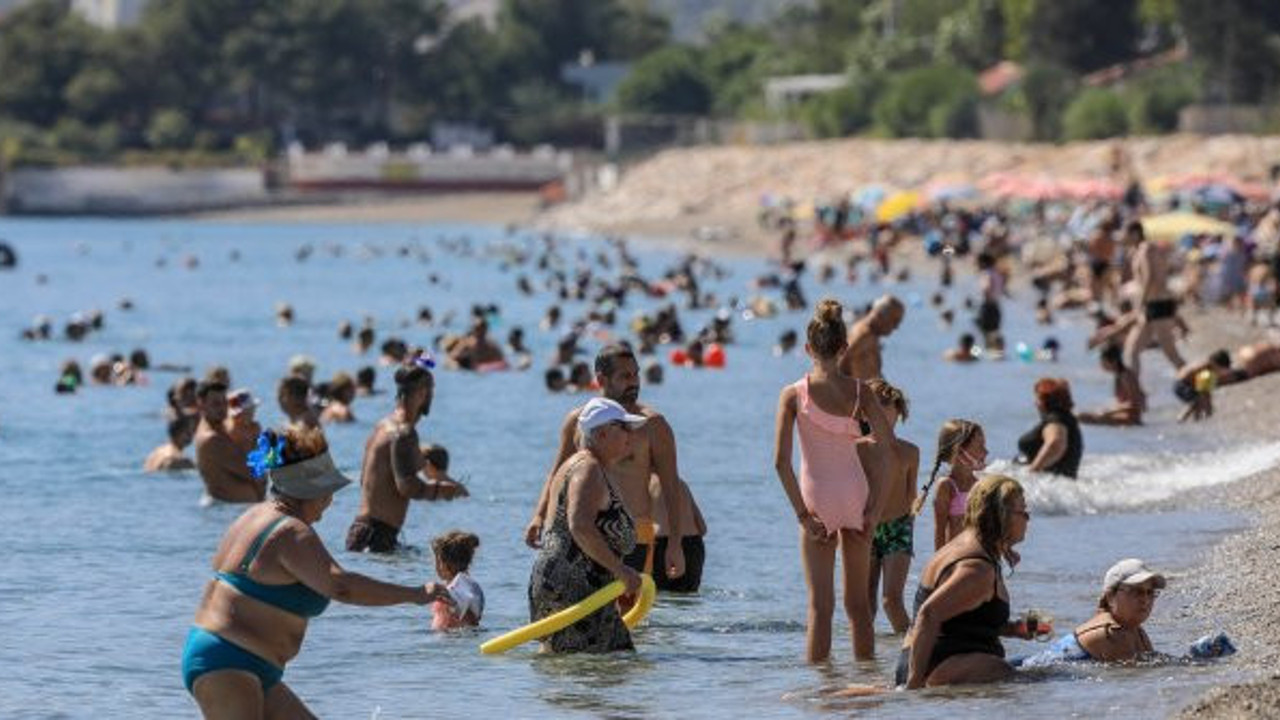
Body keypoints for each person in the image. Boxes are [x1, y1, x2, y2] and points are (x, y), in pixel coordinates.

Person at [182, 426, 452, 717]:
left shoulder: (254, 516)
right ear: (305, 489)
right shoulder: (290, 532)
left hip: (243, 662)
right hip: (228, 660)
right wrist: (414, 594)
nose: (330, 501)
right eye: (326, 491)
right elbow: (341, 586)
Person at [773, 299, 895, 662]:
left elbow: (780, 463)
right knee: (859, 607)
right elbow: (890, 451)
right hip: (855, 496)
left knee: (819, 609)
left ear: (808, 348)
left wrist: (801, 515)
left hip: (816, 500)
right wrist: (875, 509)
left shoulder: (794, 394)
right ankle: (867, 684)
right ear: (844, 348)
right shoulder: (861, 391)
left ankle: (819, 690)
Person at [525, 344, 689, 585]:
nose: (634, 382)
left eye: (636, 374)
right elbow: (557, 472)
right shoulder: (578, 421)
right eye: (625, 376)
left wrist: (675, 543)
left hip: (633, 538)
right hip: (584, 537)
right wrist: (538, 516)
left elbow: (671, 485)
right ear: (601, 379)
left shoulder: (653, 426)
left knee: (630, 620)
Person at [528, 398, 646, 653]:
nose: (631, 433)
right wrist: (620, 569)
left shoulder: (590, 466)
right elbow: (579, 525)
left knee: (607, 671)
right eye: (623, 427)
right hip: (574, 590)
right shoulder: (588, 468)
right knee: (585, 676)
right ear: (602, 433)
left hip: (583, 590)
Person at [897, 475, 1034, 688]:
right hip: (934, 667)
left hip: (930, 661)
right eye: (1023, 512)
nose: (1028, 518)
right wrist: (913, 689)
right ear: (1002, 516)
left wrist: (1014, 629)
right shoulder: (977, 569)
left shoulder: (967, 548)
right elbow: (929, 614)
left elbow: (965, 622)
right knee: (1026, 680)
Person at [345, 361, 442, 553]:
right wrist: (444, 491)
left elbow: (365, 479)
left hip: (361, 531)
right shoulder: (404, 432)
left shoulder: (383, 426)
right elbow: (407, 487)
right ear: (423, 393)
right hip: (377, 536)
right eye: (431, 391)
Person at [865, 379, 919, 634]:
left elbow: (911, 496)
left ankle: (911, 650)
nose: (885, 413)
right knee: (865, 605)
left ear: (899, 412)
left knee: (891, 601)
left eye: (890, 407)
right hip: (864, 528)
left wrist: (911, 521)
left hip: (898, 528)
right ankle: (865, 665)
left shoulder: (909, 452)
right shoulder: (856, 449)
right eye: (877, 407)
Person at [1125, 221, 1186, 380]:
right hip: (1153, 305)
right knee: (1131, 350)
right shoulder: (1142, 250)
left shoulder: (1146, 249)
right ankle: (1135, 394)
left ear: (1135, 233)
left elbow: (1149, 276)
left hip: (1158, 305)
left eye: (1126, 234)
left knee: (1171, 354)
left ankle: (1198, 387)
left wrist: (1141, 302)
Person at [915, 420, 986, 551]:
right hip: (954, 559)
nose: (986, 451)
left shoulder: (981, 486)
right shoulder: (947, 486)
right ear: (960, 451)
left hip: (979, 559)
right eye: (980, 446)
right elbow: (939, 532)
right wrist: (940, 566)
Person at [195, 381, 265, 503]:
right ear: (201, 405)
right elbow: (255, 473)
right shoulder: (213, 439)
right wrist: (254, 438)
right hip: (229, 509)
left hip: (233, 507)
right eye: (216, 404)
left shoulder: (221, 430)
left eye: (225, 403)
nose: (222, 408)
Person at [648, 475, 706, 593]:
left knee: (658, 600)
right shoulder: (680, 483)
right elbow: (703, 528)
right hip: (693, 545)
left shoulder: (643, 482)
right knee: (687, 600)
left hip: (660, 545)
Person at [1017, 378, 1084, 478]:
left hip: (1047, 483)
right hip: (1057, 481)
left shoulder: (1055, 420)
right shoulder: (1067, 418)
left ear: (1045, 400)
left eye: (1037, 399)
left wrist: (1032, 471)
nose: (1035, 403)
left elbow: (1055, 443)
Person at [839, 294, 905, 380]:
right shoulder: (864, 335)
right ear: (881, 316)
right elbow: (838, 366)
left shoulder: (871, 335)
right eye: (895, 321)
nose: (896, 327)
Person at [1079, 344, 1144, 426]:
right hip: (1121, 415)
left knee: (1083, 418)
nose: (1101, 365)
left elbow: (1135, 405)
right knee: (1082, 416)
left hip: (1130, 420)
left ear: (1113, 361)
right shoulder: (1119, 375)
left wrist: (1109, 413)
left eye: (1103, 361)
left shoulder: (1126, 377)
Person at [431, 531, 484, 630]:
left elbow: (469, 621)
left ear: (443, 564)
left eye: (436, 561)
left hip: (452, 640)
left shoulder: (456, 588)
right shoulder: (468, 585)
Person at [225, 388, 262, 454]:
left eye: (252, 409)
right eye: (247, 411)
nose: (252, 413)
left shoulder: (255, 427)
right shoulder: (232, 430)